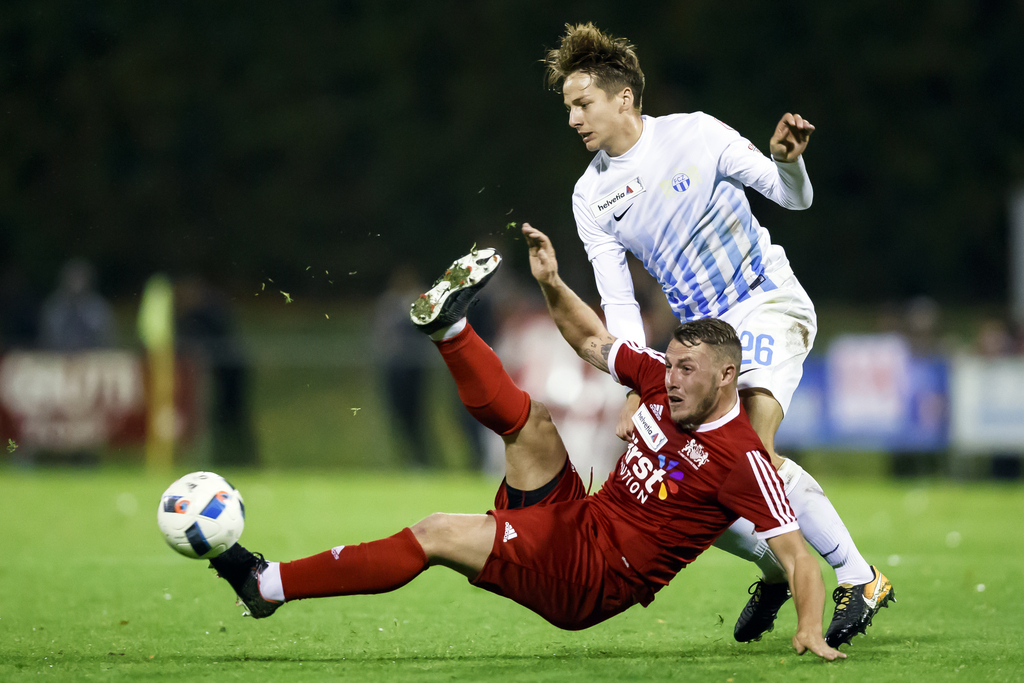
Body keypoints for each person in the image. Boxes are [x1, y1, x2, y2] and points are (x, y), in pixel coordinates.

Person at [208, 231, 846, 661]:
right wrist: (550, 282)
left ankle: (267, 587)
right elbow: (591, 341)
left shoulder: (741, 458)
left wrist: (810, 630)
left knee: (437, 532)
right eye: (671, 363)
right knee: (532, 422)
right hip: (582, 516)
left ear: (727, 376)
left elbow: (798, 561)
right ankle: (451, 328)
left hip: (592, 577)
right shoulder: (657, 377)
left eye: (687, 370)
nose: (669, 377)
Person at [542, 23, 893, 646]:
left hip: (766, 303)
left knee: (747, 453)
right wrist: (633, 384)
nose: (572, 118)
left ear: (624, 98)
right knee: (687, 473)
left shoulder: (696, 134)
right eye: (568, 106)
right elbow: (618, 300)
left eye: (582, 103)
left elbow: (790, 197)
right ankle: (776, 568)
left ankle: (859, 576)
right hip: (701, 339)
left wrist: (792, 162)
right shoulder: (591, 195)